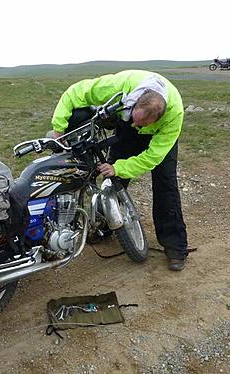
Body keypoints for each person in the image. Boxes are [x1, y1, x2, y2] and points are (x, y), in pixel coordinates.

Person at [51, 70, 189, 271]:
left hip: (159, 139)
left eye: (142, 124)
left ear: (158, 118)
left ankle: (176, 247)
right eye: (136, 119)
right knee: (110, 182)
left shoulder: (173, 115)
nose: (137, 125)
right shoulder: (121, 86)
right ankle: (104, 226)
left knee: (165, 185)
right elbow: (75, 92)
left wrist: (119, 168)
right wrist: (59, 129)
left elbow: (152, 157)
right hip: (125, 129)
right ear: (134, 102)